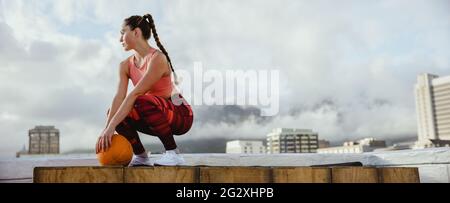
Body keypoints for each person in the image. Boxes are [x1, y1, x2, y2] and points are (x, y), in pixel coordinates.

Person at [95, 14, 193, 166]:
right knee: (114, 113)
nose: (119, 39)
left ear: (136, 32)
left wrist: (111, 126)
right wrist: (107, 129)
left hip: (180, 114)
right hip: (154, 113)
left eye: (122, 32)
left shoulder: (158, 59)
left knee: (139, 101)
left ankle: (173, 153)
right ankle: (141, 156)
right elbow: (119, 97)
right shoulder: (125, 65)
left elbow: (136, 93)